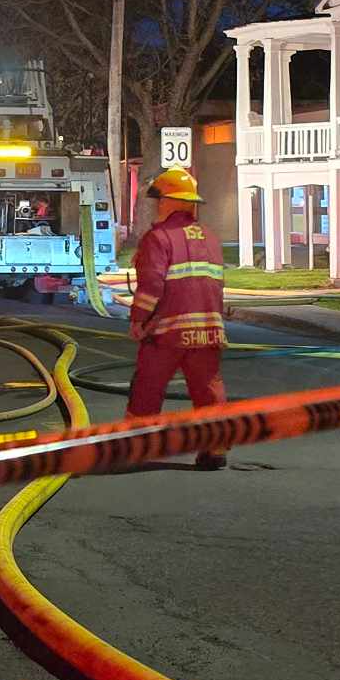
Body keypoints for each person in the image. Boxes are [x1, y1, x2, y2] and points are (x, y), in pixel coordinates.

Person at [125, 166, 229, 471]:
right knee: (208, 389)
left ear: (167, 202)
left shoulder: (158, 238)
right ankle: (215, 448)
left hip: (167, 332)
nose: (156, 206)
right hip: (208, 330)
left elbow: (152, 286)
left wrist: (138, 320)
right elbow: (216, 284)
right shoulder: (210, 238)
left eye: (158, 200)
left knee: (147, 386)